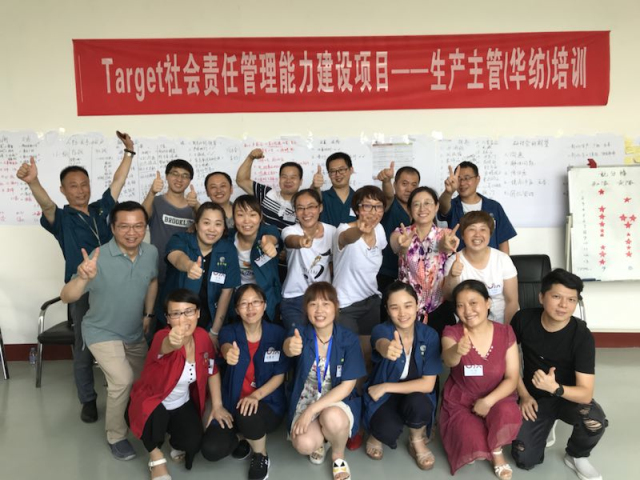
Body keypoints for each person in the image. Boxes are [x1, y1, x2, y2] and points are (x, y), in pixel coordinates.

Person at [15, 130, 135, 423]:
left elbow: (118, 181)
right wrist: (33, 182)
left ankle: (127, 396)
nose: (80, 190)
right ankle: (88, 400)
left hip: (115, 287)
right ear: (63, 190)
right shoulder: (61, 219)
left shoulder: (102, 208)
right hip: (82, 290)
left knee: (124, 341)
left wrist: (129, 152)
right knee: (83, 347)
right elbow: (46, 205)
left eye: (84, 184)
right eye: (73, 186)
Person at [60, 201, 158, 461]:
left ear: (145, 228)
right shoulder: (97, 258)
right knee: (122, 380)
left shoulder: (150, 252)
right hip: (101, 331)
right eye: (124, 226)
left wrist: (148, 314)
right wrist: (83, 277)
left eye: (138, 226)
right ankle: (116, 436)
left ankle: (135, 418)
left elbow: (152, 280)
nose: (131, 232)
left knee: (143, 380)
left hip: (133, 331)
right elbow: (67, 296)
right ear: (113, 228)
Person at [511, 269, 607, 480]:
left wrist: (555, 388)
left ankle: (576, 455)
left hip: (567, 398)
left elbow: (585, 394)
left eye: (571, 299)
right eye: (556, 296)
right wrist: (524, 395)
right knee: (524, 459)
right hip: (534, 399)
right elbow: (507, 360)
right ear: (541, 297)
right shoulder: (523, 319)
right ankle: (545, 423)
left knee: (594, 420)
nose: (564, 305)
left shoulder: (582, 336)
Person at [127, 289, 217, 479]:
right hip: (153, 401)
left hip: (181, 403)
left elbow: (212, 369)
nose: (183, 319)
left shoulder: (202, 337)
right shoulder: (162, 336)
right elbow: (168, 344)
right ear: (167, 318)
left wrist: (217, 405)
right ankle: (156, 457)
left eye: (189, 311)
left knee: (193, 443)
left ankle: (173, 436)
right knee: (153, 419)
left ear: (198, 313)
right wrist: (174, 341)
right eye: (175, 314)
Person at [201, 284, 288, 480]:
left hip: (267, 405)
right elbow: (225, 347)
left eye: (256, 302)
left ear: (265, 305)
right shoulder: (229, 332)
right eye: (244, 303)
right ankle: (243, 438)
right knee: (211, 449)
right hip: (232, 406)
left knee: (247, 413)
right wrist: (228, 353)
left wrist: (255, 396)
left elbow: (280, 375)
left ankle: (260, 454)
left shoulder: (277, 334)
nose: (250, 308)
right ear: (236, 309)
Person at [284, 282, 366, 480]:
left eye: (326, 304)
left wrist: (311, 412)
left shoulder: (348, 339)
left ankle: (338, 455)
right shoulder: (301, 334)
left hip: (337, 400)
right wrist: (289, 347)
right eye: (313, 304)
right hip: (307, 397)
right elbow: (288, 346)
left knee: (332, 417)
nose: (319, 310)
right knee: (303, 444)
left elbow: (347, 386)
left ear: (336, 307)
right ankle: (321, 441)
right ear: (306, 309)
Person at [440, 280, 522, 479]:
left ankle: (497, 452)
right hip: (461, 399)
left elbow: (512, 377)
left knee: (507, 413)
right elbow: (448, 360)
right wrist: (457, 350)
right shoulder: (452, 332)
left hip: (498, 396)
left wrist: (488, 401)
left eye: (473, 303)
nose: (467, 310)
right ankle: (484, 438)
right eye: (460, 305)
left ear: (488, 303)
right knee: (471, 440)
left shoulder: (505, 332)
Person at [363, 281, 442, 470]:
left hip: (410, 392)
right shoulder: (382, 330)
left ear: (417, 305)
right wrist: (386, 348)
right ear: (387, 310)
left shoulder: (429, 335)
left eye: (408, 306)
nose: (402, 313)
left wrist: (386, 386)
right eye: (394, 307)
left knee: (420, 404)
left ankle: (416, 440)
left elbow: (427, 385)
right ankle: (376, 434)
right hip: (385, 397)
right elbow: (380, 342)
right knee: (386, 430)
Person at [162, 202, 239, 342]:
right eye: (206, 223)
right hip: (176, 320)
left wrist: (214, 332)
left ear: (224, 228)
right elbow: (176, 256)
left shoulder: (228, 249)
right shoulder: (180, 239)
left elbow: (227, 293)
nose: (212, 229)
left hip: (210, 321)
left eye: (218, 224)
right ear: (197, 225)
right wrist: (188, 265)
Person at [390, 186, 459, 336]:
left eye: (427, 203)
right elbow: (397, 246)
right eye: (416, 204)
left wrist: (447, 245)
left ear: (436, 207)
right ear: (409, 209)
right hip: (406, 310)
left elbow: (445, 245)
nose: (422, 208)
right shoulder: (400, 233)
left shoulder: (445, 234)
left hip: (438, 308)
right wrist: (403, 246)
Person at [444, 211, 519, 325]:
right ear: (463, 235)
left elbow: (512, 301)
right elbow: (449, 297)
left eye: (483, 229)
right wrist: (452, 275)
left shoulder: (503, 259)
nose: (477, 234)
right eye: (472, 229)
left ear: (490, 234)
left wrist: (506, 331)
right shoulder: (454, 261)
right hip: (469, 324)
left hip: (501, 323)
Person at [280, 188, 336, 330]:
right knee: (297, 339)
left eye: (311, 206)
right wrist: (301, 241)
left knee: (322, 339)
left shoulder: (332, 232)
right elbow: (290, 240)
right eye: (300, 208)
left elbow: (333, 262)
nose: (306, 212)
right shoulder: (290, 231)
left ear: (320, 207)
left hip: (322, 297)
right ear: (295, 211)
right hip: (294, 297)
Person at [438, 160, 517, 254]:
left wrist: (505, 262)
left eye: (467, 178)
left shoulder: (494, 207)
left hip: (490, 262)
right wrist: (448, 192)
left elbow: (503, 241)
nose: (462, 183)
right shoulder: (453, 205)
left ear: (477, 179)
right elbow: (443, 207)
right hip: (459, 261)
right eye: (459, 179)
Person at [142, 159, 198, 284]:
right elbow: (141, 218)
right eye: (175, 174)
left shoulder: (194, 207)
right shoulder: (155, 202)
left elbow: (208, 221)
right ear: (166, 176)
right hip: (157, 270)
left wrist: (196, 205)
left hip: (186, 271)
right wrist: (152, 192)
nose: (179, 179)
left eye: (185, 176)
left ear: (190, 181)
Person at [230, 195, 281, 323]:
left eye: (252, 215)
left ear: (260, 217)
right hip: (237, 302)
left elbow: (272, 236)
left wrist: (269, 244)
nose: (247, 221)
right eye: (240, 215)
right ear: (233, 218)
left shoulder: (267, 232)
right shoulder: (228, 240)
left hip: (267, 301)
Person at [376, 162, 421, 301]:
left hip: (413, 275)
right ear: (395, 185)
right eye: (404, 184)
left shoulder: (421, 209)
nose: (409, 189)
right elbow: (388, 196)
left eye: (414, 185)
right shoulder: (390, 204)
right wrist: (386, 181)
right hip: (387, 272)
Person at [235, 148, 301, 232]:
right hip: (261, 239)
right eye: (284, 177)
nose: (288, 181)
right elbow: (241, 180)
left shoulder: (303, 205)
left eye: (293, 177)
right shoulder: (267, 193)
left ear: (300, 181)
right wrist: (250, 158)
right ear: (279, 179)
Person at [314, 152, 357, 227]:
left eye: (341, 169)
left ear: (351, 170)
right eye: (333, 171)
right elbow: (313, 198)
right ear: (329, 174)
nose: (337, 174)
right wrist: (315, 187)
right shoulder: (322, 197)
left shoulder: (359, 198)